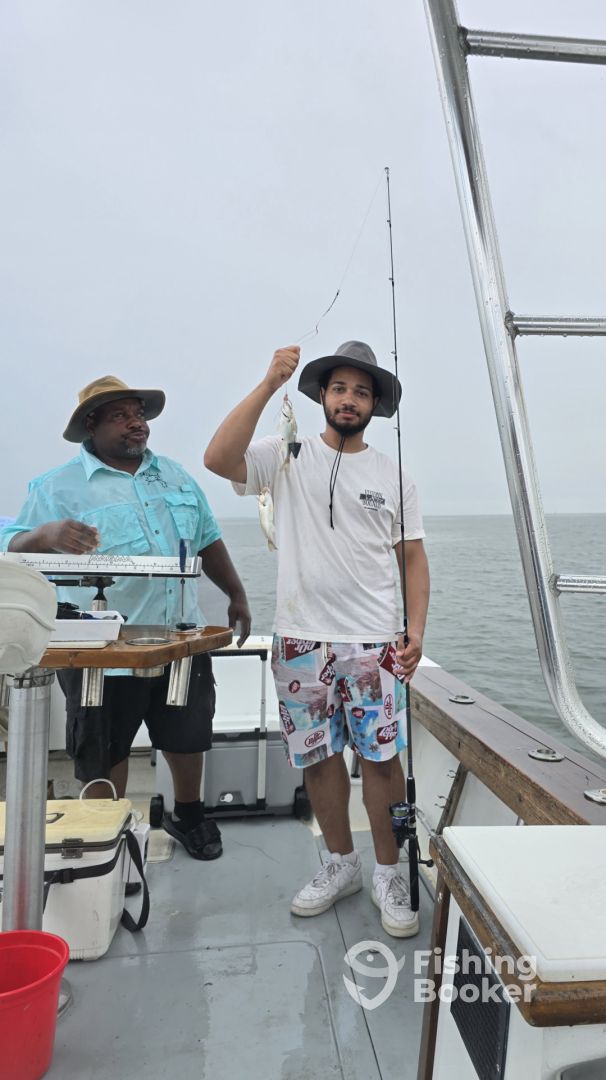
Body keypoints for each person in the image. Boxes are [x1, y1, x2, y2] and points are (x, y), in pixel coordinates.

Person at [204, 341, 429, 935]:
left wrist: (416, 630)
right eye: (339, 388)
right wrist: (266, 382)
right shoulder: (285, 454)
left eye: (361, 391)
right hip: (301, 640)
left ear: (374, 404)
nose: (349, 399)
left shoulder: (394, 475)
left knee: (382, 760)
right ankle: (340, 864)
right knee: (320, 758)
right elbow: (218, 458)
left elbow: (412, 558)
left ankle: (387, 872)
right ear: (321, 395)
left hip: (375, 643)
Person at [1, 375, 251, 861]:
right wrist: (45, 535)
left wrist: (236, 594)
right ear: (91, 426)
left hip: (180, 636)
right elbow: (14, 546)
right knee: (103, 747)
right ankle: (106, 836)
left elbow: (207, 539)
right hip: (101, 649)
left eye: (139, 414)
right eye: (120, 416)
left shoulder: (176, 476)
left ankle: (188, 815)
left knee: (187, 734)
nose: (136, 423)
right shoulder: (55, 486)